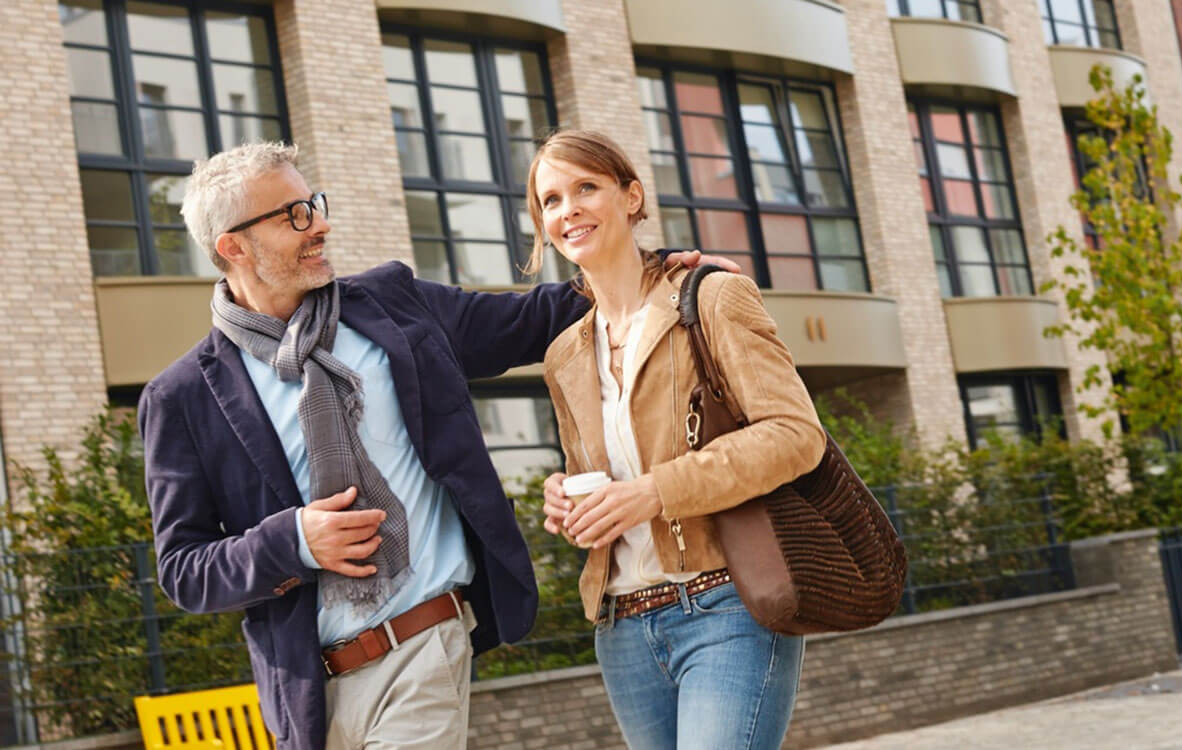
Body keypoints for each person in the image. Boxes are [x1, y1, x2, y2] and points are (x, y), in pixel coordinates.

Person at [138, 141, 731, 749]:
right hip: (304, 701)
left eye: (312, 204)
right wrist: (293, 541)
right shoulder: (182, 398)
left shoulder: (393, 306)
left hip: (423, 645)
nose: (320, 224)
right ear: (232, 247)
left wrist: (657, 272)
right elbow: (184, 569)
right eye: (293, 215)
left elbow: (527, 320)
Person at [533, 130, 827, 749]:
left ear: (631, 196)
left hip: (725, 605)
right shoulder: (564, 354)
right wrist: (563, 495)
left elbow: (796, 435)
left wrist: (653, 492)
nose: (569, 210)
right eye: (552, 200)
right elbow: (599, 474)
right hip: (622, 626)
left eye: (586, 187)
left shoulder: (711, 298)